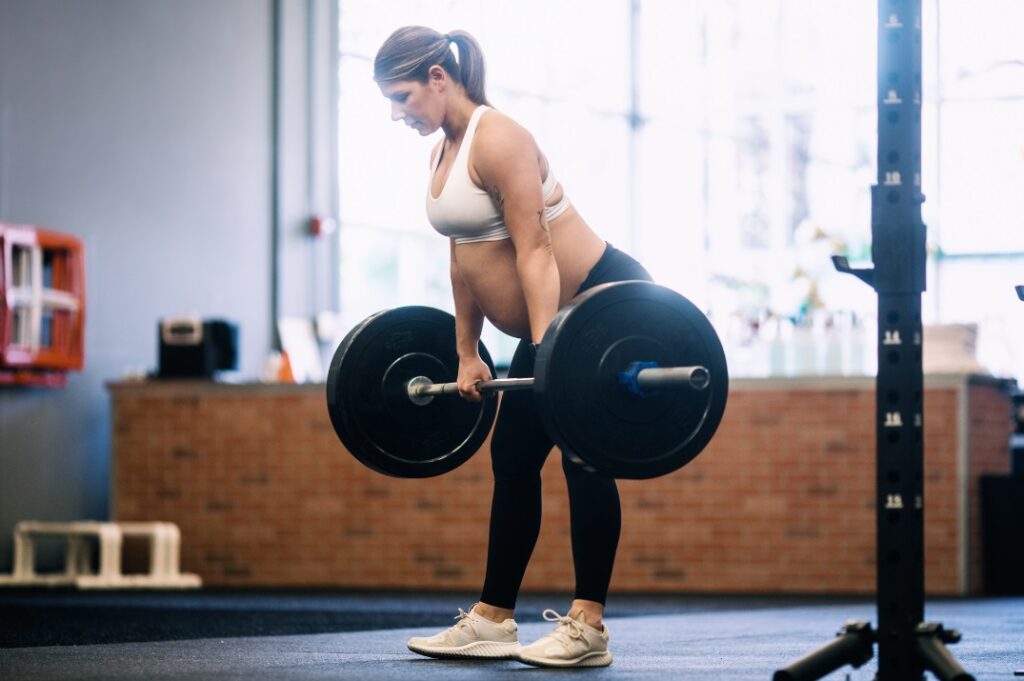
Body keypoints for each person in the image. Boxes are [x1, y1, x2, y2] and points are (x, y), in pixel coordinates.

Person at [374, 26, 652, 669]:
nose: (395, 113)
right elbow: (462, 259)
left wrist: (548, 350)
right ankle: (494, 619)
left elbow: (537, 251)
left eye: (401, 96)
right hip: (551, 323)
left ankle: (588, 627)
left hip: (600, 305)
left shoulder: (499, 139)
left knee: (582, 456)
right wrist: (466, 351)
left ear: (438, 78)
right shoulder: (443, 151)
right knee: (514, 456)